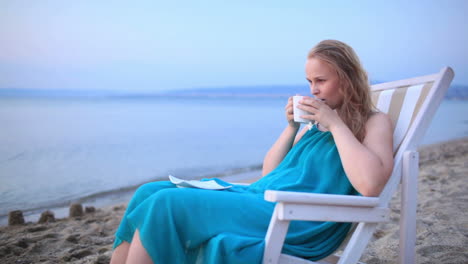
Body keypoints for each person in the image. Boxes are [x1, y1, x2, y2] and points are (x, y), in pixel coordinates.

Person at [110, 39, 394, 264]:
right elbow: (271, 174)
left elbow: (370, 185)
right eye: (309, 82)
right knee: (148, 192)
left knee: (167, 203)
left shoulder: (372, 122)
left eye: (321, 81)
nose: (313, 90)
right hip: (263, 199)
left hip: (299, 218)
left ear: (346, 79)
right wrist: (292, 127)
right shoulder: (316, 127)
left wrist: (335, 124)